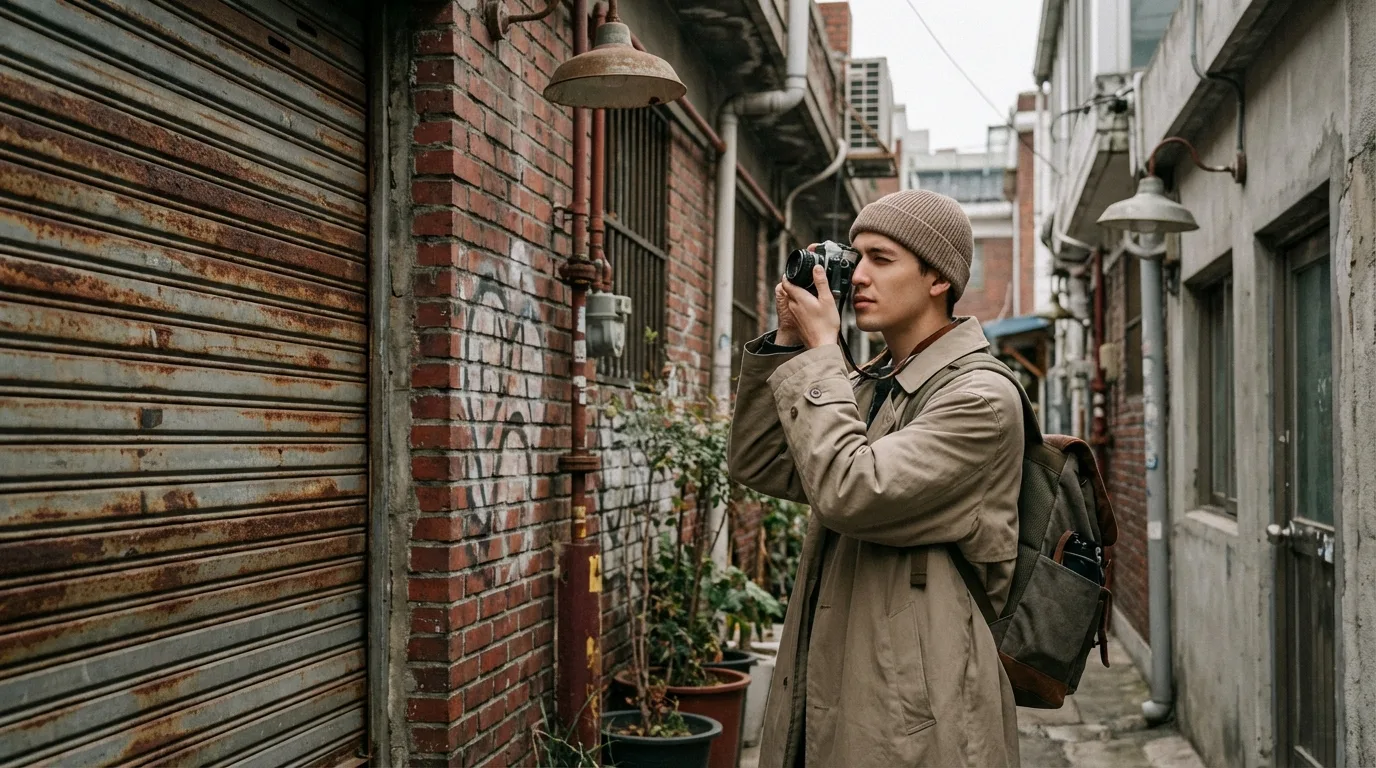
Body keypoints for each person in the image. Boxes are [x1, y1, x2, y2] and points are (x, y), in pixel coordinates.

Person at [727, 189, 1023, 767]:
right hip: (840, 679)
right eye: (854, 256)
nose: (858, 276)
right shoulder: (877, 386)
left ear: (938, 279)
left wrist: (821, 351)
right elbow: (759, 461)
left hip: (918, 716)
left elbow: (851, 491)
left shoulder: (981, 400)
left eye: (881, 259)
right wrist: (789, 342)